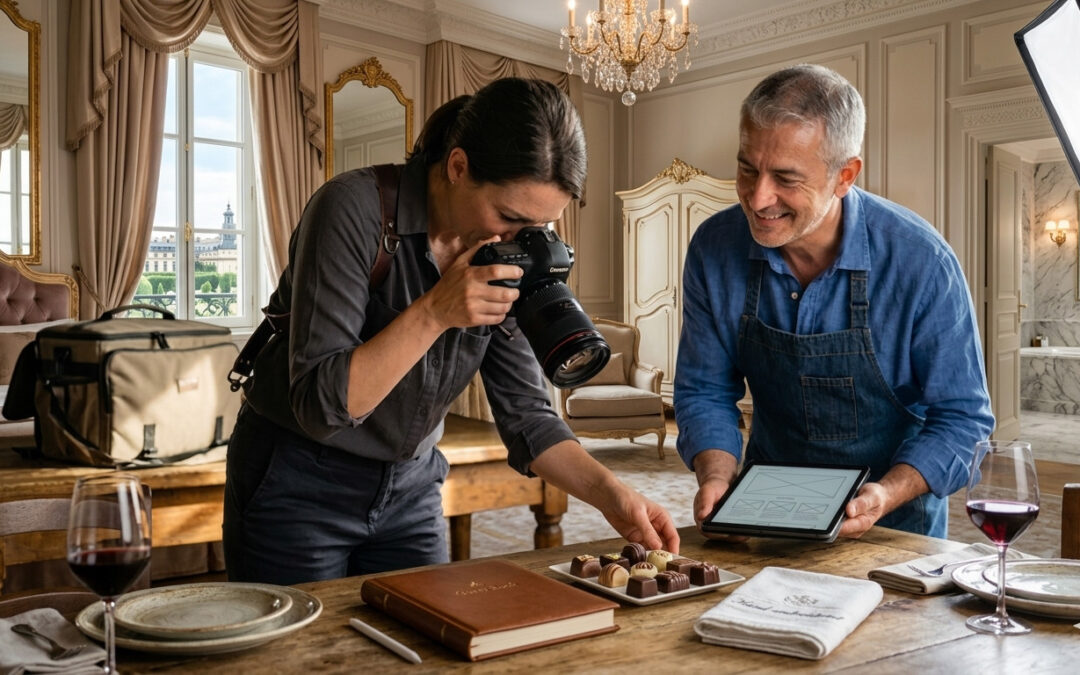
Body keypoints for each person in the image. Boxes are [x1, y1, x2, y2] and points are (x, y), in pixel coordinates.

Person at [223, 77, 679, 585]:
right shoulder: (350, 209)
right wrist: (436, 312)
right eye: (509, 218)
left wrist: (613, 495)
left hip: (411, 489)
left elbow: (529, 417)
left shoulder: (504, 252)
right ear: (458, 167)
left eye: (537, 229)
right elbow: (322, 406)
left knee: (424, 651)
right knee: (296, 660)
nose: (517, 241)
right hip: (298, 483)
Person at [674, 64, 994, 539]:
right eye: (747, 167)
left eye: (785, 178)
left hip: (894, 524)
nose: (758, 198)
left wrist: (884, 495)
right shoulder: (713, 246)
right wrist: (717, 477)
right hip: (764, 514)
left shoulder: (922, 262)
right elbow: (704, 390)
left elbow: (964, 421)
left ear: (845, 175)